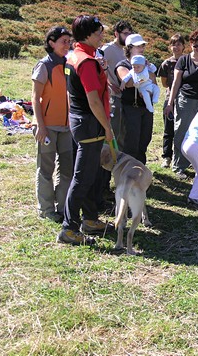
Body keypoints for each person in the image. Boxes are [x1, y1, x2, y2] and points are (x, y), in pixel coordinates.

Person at [58, 15, 113, 246]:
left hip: (79, 121)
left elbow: (73, 94)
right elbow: (94, 100)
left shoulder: (74, 56)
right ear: (88, 35)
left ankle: (90, 220)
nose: (102, 35)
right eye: (99, 32)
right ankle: (69, 229)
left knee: (90, 173)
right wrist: (108, 128)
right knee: (82, 178)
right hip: (91, 123)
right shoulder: (87, 62)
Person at [32, 26, 73, 223]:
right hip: (47, 127)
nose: (68, 45)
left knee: (67, 169)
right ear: (51, 43)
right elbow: (35, 97)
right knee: (46, 170)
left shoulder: (69, 64)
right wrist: (40, 126)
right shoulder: (44, 65)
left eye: (69, 41)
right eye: (63, 41)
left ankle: (63, 206)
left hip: (67, 128)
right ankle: (46, 210)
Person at [165, 30, 198, 179]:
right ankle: (179, 166)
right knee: (181, 132)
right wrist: (170, 103)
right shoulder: (183, 60)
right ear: (190, 44)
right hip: (185, 100)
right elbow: (176, 83)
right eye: (196, 46)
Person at [115, 33, 155, 164]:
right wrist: (145, 75)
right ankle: (128, 173)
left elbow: (154, 80)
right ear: (129, 48)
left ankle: (140, 172)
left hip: (146, 107)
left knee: (144, 140)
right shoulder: (123, 65)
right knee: (131, 142)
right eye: (139, 46)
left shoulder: (146, 64)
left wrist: (145, 75)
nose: (142, 49)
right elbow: (129, 82)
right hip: (130, 108)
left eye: (143, 46)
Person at [101, 20, 133, 149]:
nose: (127, 37)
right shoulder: (107, 49)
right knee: (114, 129)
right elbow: (100, 69)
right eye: (125, 33)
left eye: (129, 34)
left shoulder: (128, 50)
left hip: (126, 96)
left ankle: (120, 159)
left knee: (124, 131)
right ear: (116, 34)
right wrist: (109, 84)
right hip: (114, 96)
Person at [157, 33, 185, 168]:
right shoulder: (166, 64)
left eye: (179, 44)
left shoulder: (187, 62)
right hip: (170, 100)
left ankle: (182, 157)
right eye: (173, 44)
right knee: (168, 130)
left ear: (183, 46)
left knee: (183, 129)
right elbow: (163, 83)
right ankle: (167, 156)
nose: (176, 47)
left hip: (185, 99)